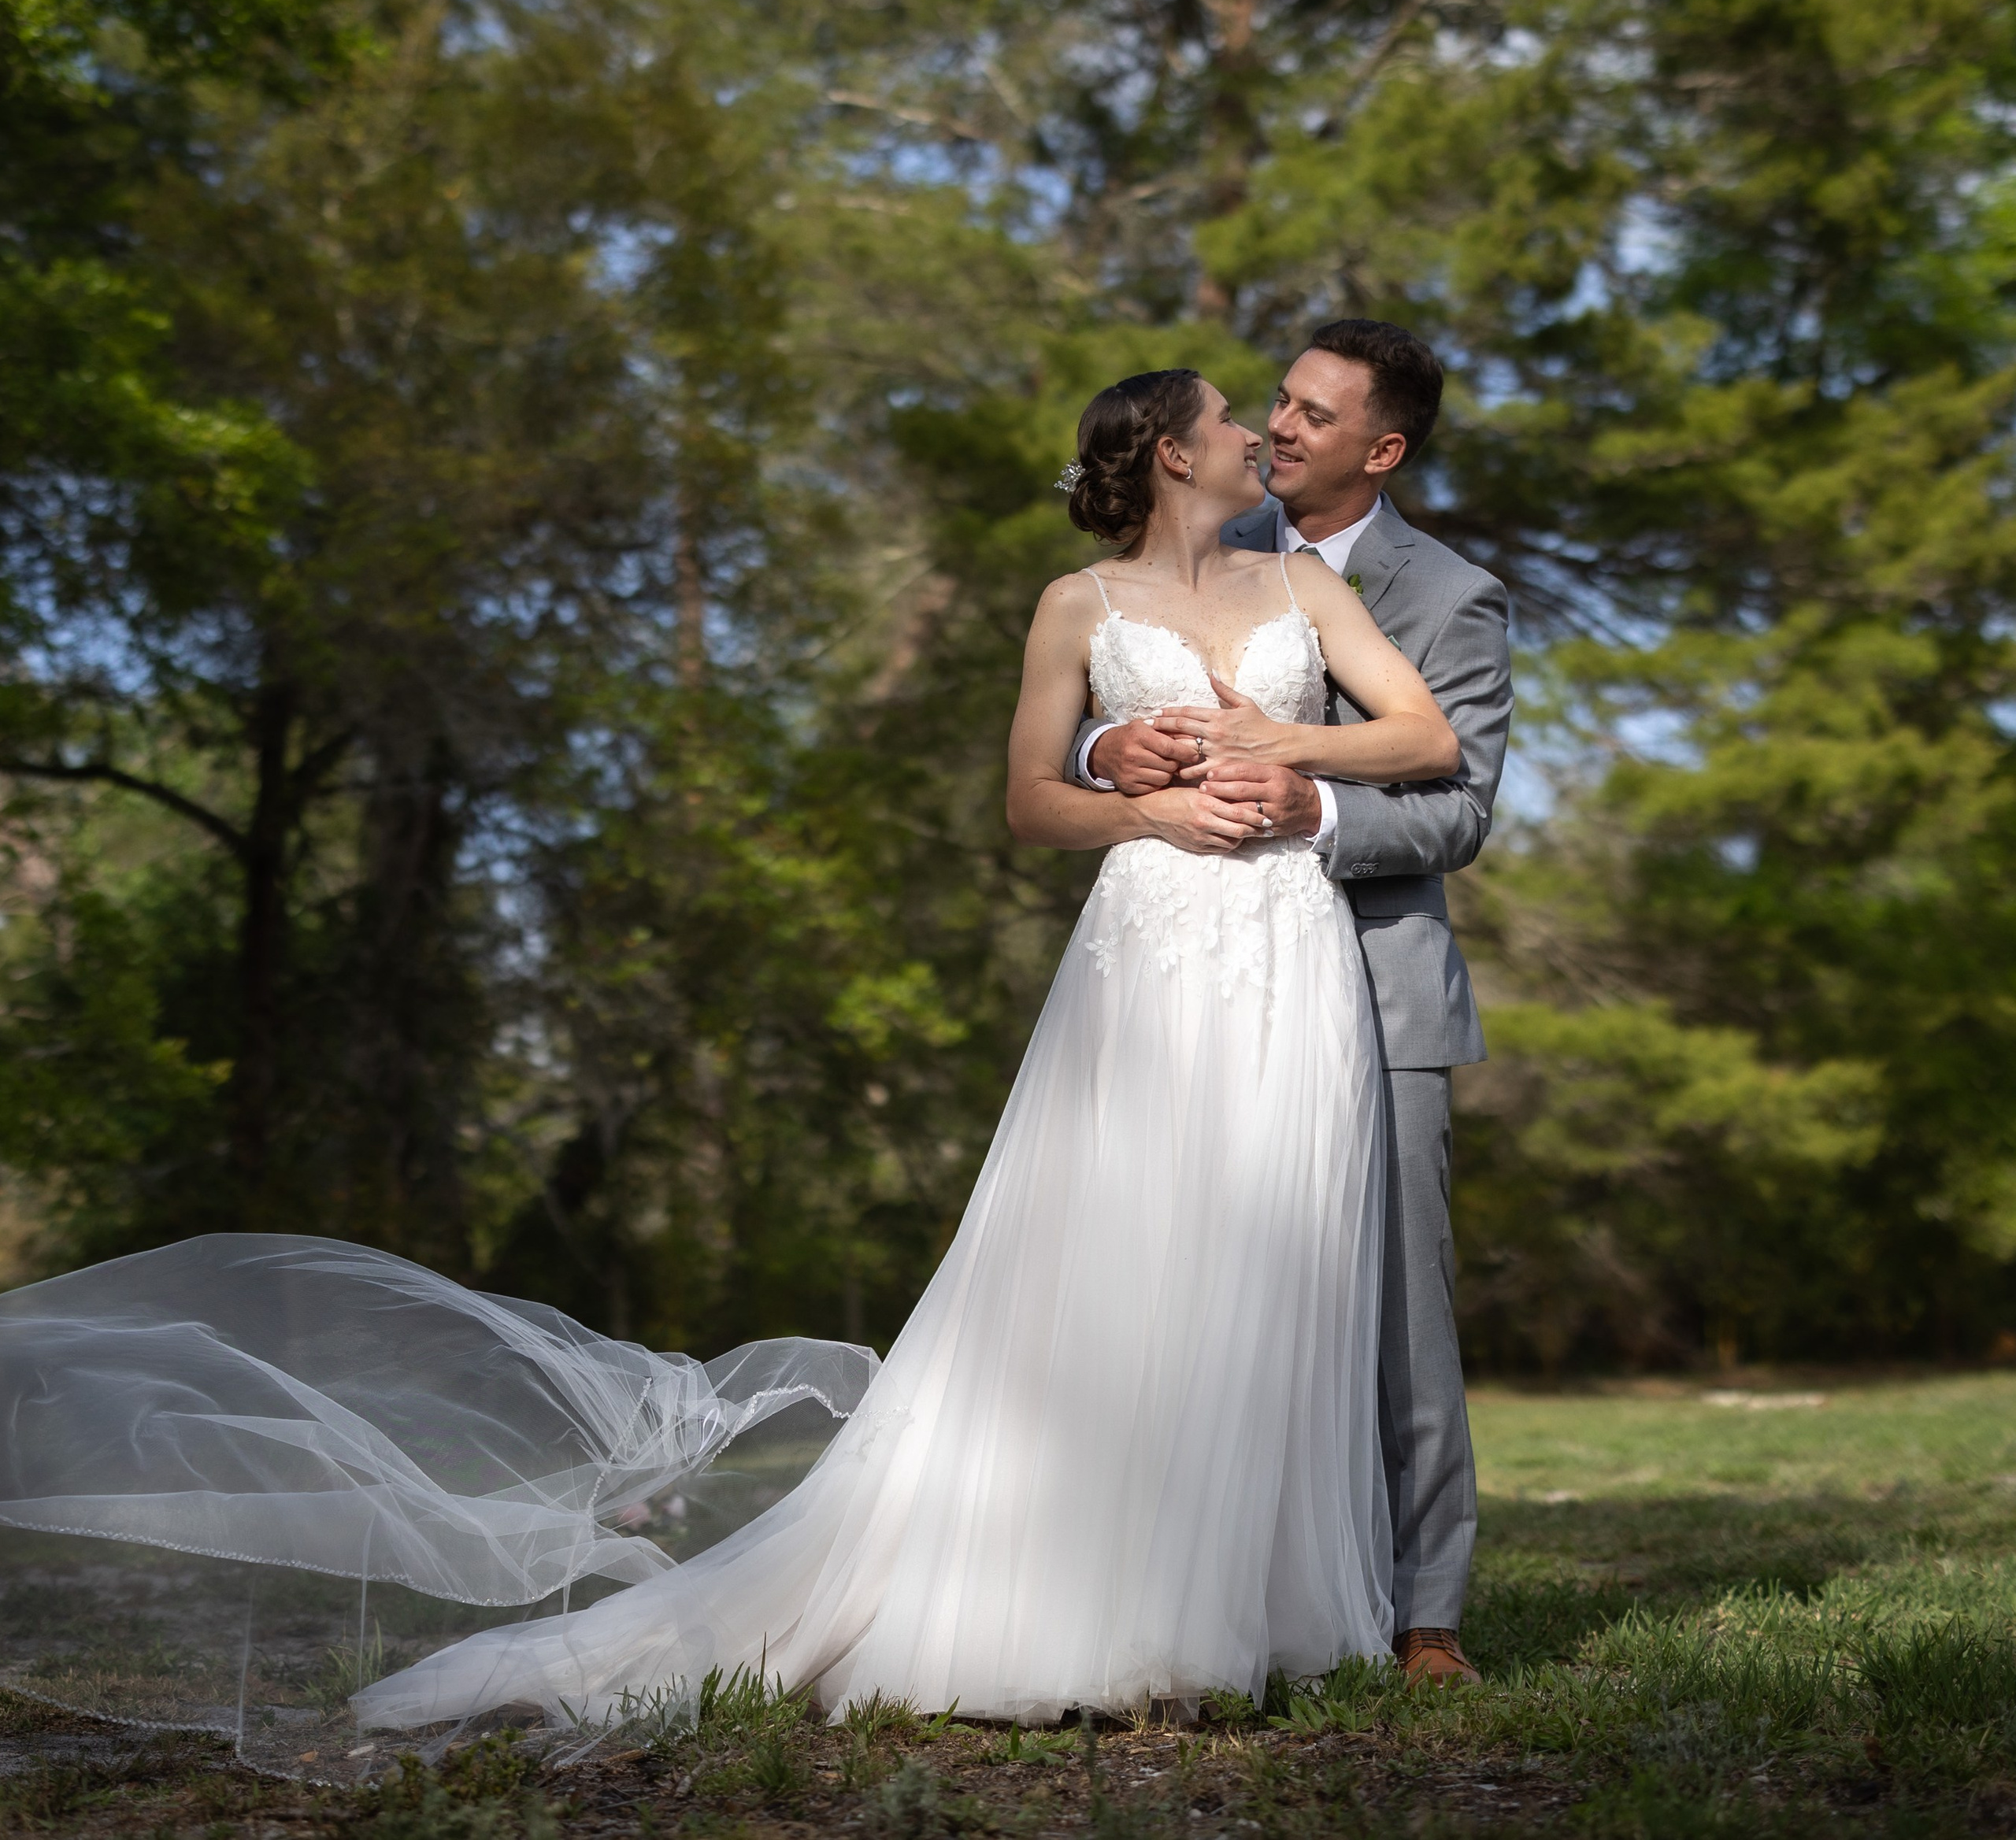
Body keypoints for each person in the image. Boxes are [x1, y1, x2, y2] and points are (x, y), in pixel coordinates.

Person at [0, 364, 1462, 1738]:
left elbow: (1423, 741)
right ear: (1169, 451)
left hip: (1288, 948)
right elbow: (1029, 800)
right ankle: (1077, 1598)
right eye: (1228, 414)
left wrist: (1283, 752)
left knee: (1271, 1261)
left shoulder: (1297, 585)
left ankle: (1242, 1603)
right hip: (1148, 949)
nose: (1253, 430)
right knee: (1119, 1252)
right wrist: (1137, 800)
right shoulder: (1076, 602)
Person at [1073, 320, 1513, 1687]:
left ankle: (1423, 1615)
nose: (1280, 426)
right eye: (1276, 401)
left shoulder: (1450, 594)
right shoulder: (1211, 538)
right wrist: (1108, 744)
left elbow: (1461, 809)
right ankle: (1226, 1591)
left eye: (1315, 414)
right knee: (1194, 1290)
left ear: (1381, 448)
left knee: (1395, 1319)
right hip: (1199, 992)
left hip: (1372, 999)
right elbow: (1115, 658)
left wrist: (1314, 800)